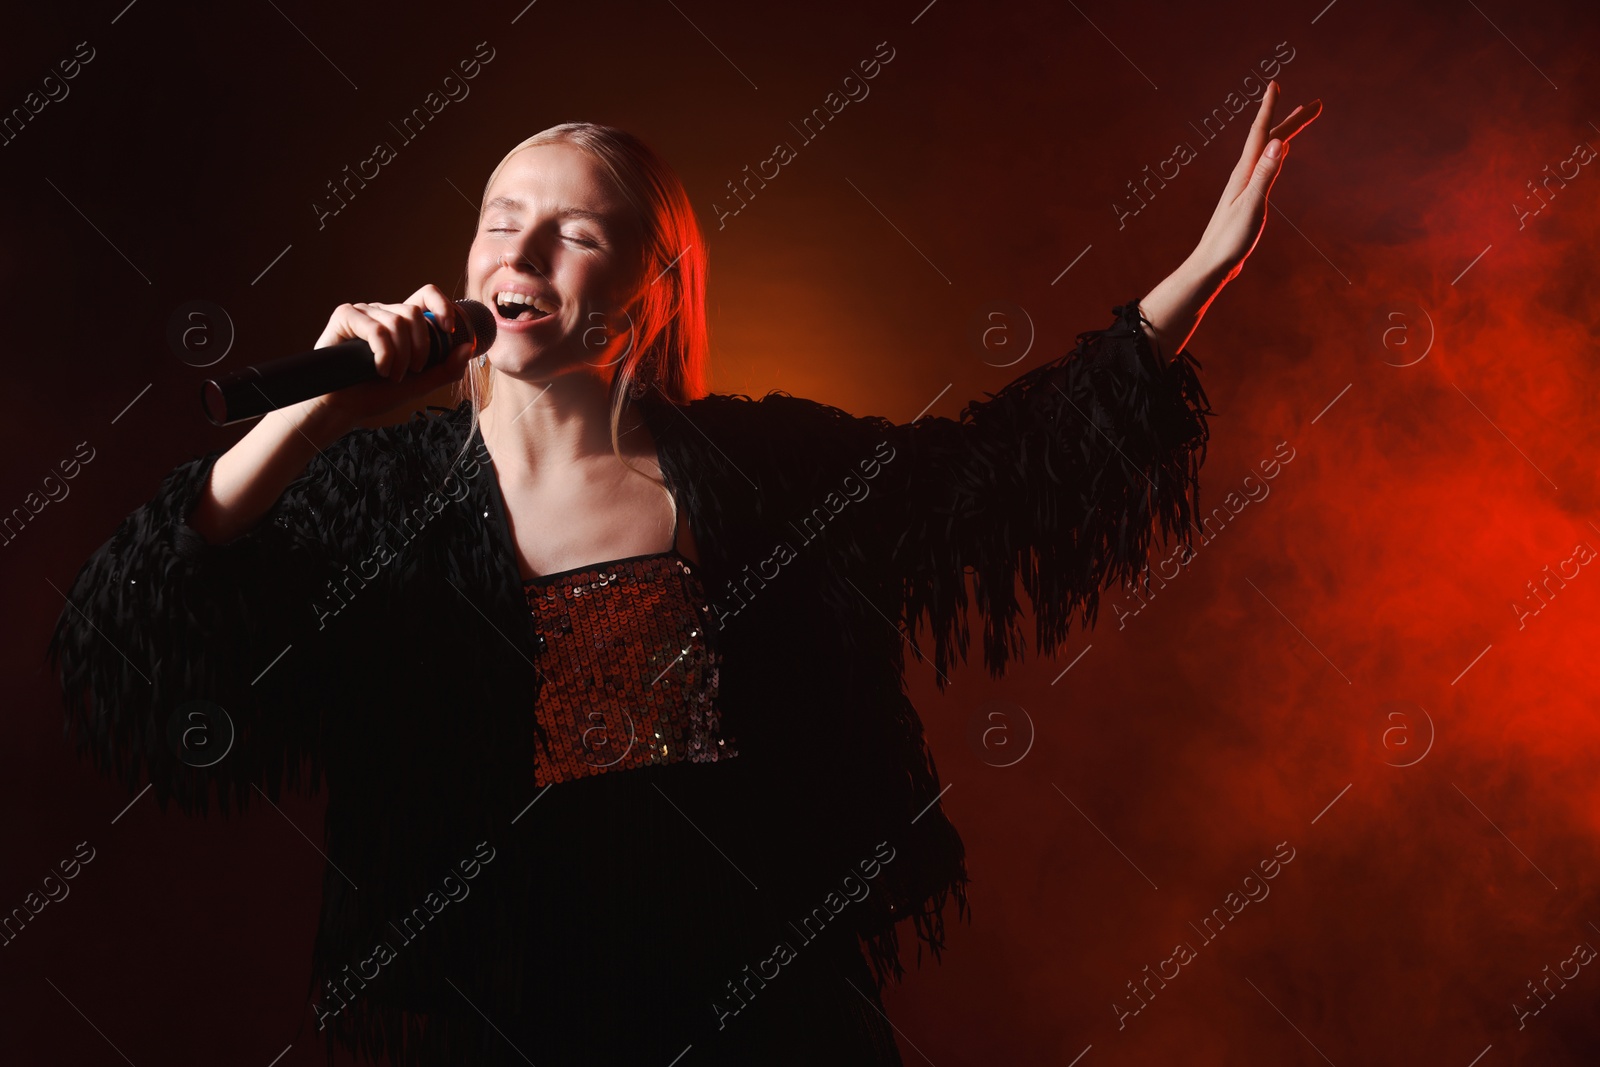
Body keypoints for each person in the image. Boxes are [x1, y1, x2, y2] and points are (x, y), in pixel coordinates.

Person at [47, 88, 1318, 1066]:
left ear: (648, 288)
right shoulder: (369, 496)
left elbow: (1001, 475)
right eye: (502, 218)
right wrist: (309, 418)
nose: (522, 252)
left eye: (574, 232)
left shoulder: (763, 467)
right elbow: (139, 628)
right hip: (506, 1026)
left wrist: (1192, 276)